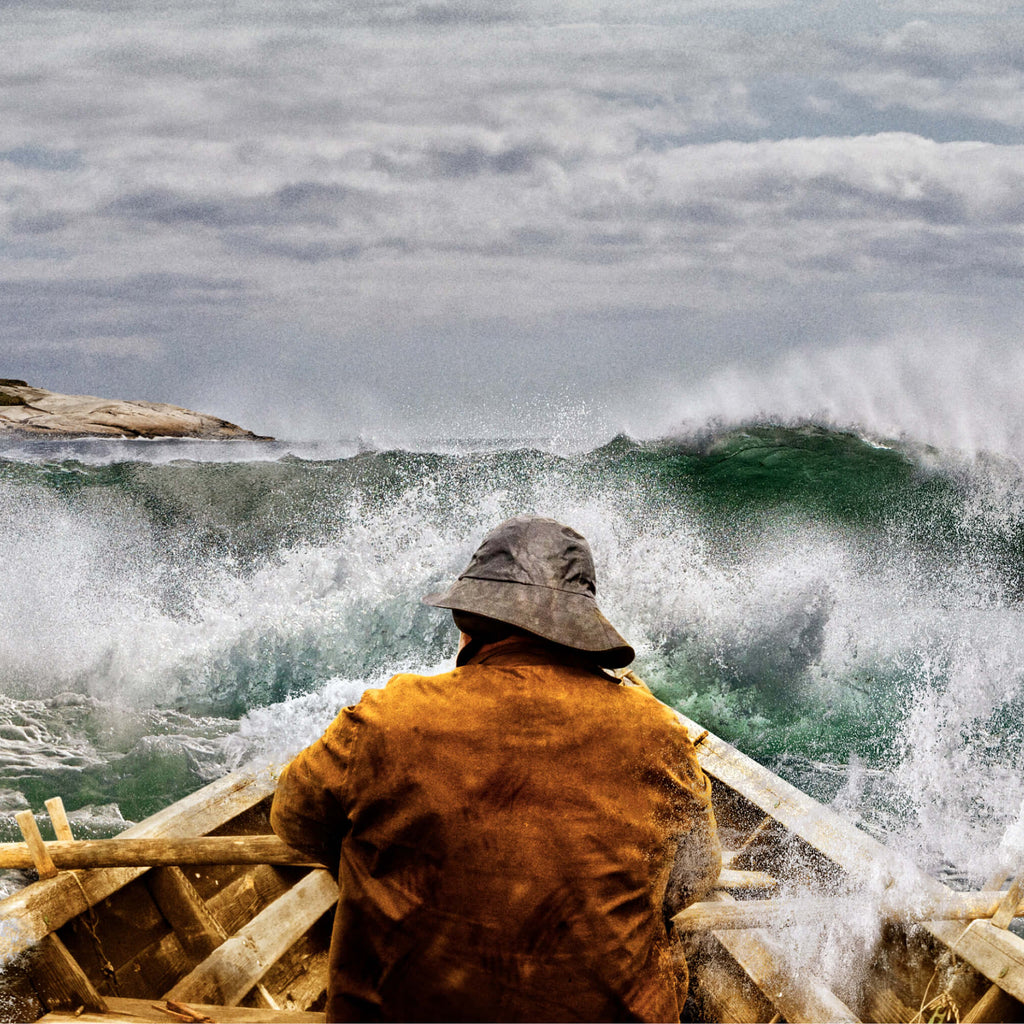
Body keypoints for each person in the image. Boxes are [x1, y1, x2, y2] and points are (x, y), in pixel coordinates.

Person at [270, 515, 721, 1023]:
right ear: (579, 629)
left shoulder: (388, 717)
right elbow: (695, 880)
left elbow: (293, 822)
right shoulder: (657, 731)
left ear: (469, 622)